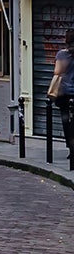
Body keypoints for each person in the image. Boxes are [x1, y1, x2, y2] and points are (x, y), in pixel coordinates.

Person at [49, 28, 74, 164]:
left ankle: (71, 149)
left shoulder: (62, 55)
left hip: (64, 93)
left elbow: (57, 71)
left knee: (66, 122)